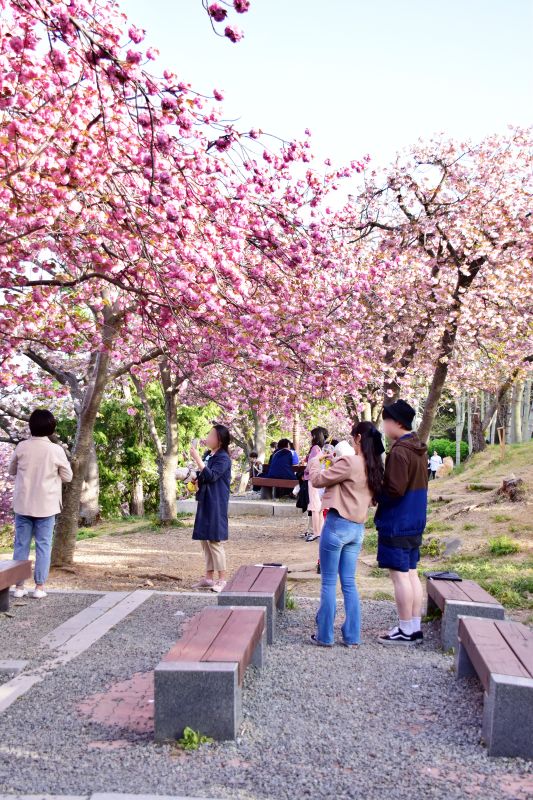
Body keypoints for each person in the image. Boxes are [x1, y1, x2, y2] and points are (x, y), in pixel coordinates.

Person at [308, 422, 384, 647]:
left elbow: (317, 480)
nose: (352, 441)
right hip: (357, 529)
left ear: (358, 438)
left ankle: (325, 635)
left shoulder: (350, 461)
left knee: (329, 582)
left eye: (353, 437)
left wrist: (315, 463)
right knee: (349, 583)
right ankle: (352, 636)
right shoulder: (375, 466)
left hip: (337, 525)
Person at [375, 399, 428, 645]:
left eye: (386, 420)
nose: (384, 426)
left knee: (399, 577)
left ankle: (405, 628)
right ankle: (414, 626)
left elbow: (394, 489)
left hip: (397, 521)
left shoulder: (399, 451)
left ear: (396, 422)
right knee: (411, 573)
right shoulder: (418, 448)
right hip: (414, 520)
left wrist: (376, 494)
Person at [9, 409, 73, 599]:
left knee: (21, 545)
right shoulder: (56, 450)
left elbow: (12, 470)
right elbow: (68, 477)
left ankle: (19, 587)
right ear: (51, 428)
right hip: (46, 506)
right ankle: (39, 587)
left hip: (23, 504)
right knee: (43, 546)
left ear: (30, 427)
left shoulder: (21, 447)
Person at [190, 424, 232, 593]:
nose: (207, 438)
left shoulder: (223, 458)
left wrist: (197, 460)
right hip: (205, 499)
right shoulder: (209, 455)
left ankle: (222, 579)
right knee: (205, 540)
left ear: (219, 440)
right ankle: (208, 577)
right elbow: (204, 475)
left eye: (211, 435)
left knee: (214, 540)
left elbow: (212, 476)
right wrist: (195, 479)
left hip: (216, 502)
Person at [303, 426, 328, 542]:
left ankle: (316, 532)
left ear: (315, 436)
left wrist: (306, 471)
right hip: (321, 478)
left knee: (314, 507)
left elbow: (310, 465)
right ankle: (321, 531)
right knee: (320, 508)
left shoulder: (315, 449)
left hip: (313, 479)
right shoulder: (323, 449)